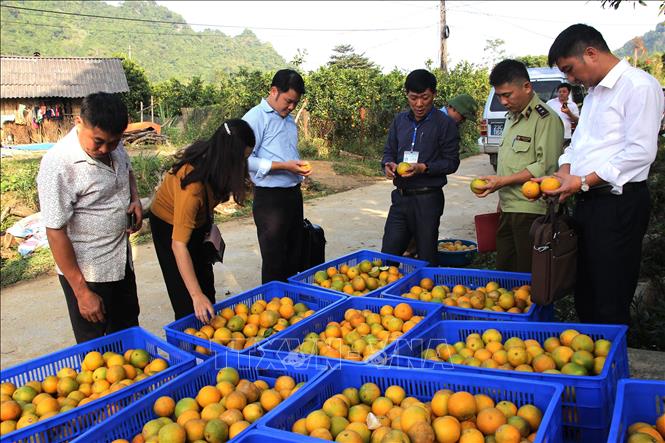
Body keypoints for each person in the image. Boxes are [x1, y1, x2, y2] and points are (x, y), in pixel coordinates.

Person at [541, 24, 663, 325]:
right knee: (586, 290)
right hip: (589, 203)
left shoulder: (638, 86)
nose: (570, 79)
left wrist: (583, 181)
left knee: (610, 293)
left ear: (591, 53)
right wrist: (565, 172)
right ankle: (590, 353)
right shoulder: (595, 93)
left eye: (570, 69)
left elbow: (641, 152)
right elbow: (580, 145)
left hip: (618, 205)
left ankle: (609, 361)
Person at [37, 92, 142, 343]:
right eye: (98, 141)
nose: (106, 149)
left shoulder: (115, 147)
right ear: (78, 122)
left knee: (130, 337)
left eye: (114, 142)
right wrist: (82, 293)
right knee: (98, 351)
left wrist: (135, 199)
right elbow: (55, 231)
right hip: (90, 275)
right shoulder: (58, 164)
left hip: (120, 264)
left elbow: (127, 171)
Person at [149, 119, 255, 323]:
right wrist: (196, 296)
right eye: (241, 160)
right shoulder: (192, 187)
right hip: (168, 226)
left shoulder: (215, 164)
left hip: (197, 223)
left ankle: (208, 329)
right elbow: (178, 245)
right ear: (227, 157)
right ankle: (188, 338)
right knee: (187, 298)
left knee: (205, 281)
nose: (243, 165)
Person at [475, 60, 564, 273]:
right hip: (508, 207)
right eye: (499, 96)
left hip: (531, 210)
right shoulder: (511, 117)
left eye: (508, 95)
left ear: (527, 87)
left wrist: (502, 182)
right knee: (505, 273)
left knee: (527, 275)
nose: (503, 101)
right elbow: (510, 163)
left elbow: (546, 166)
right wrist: (501, 196)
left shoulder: (546, 119)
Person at [381, 69, 460, 266]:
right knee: (387, 256)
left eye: (424, 97)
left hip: (428, 199)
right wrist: (387, 165)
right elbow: (388, 151)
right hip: (401, 198)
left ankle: (422, 294)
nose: (419, 104)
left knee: (426, 258)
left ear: (433, 94)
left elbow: (452, 162)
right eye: (413, 97)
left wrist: (424, 167)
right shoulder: (400, 121)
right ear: (406, 94)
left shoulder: (445, 124)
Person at [242, 69, 311, 284]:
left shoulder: (289, 119)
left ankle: (292, 310)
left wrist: (297, 167)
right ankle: (272, 310)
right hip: (270, 200)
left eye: (295, 104)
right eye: (288, 101)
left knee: (294, 257)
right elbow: (243, 160)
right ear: (274, 91)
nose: (291, 107)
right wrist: (283, 166)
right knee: (274, 261)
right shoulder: (255, 118)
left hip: (292, 195)